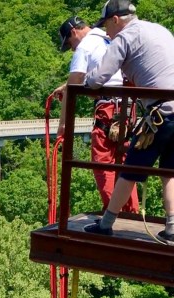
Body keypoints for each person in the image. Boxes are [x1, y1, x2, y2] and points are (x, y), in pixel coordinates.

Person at [83, 0, 174, 243]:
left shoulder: (124, 38)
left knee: (129, 171)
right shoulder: (159, 30)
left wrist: (85, 82)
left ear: (115, 20)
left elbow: (98, 77)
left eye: (106, 26)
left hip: (161, 113)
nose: (106, 33)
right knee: (169, 172)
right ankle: (172, 228)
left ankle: (106, 224)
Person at [54, 15, 138, 212]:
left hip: (107, 109)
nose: (72, 48)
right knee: (124, 163)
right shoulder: (109, 38)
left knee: (103, 162)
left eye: (70, 43)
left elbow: (74, 87)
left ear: (74, 32)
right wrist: (66, 85)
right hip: (127, 107)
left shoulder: (84, 47)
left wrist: (63, 126)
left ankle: (112, 212)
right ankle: (131, 212)